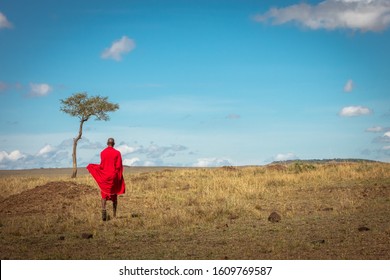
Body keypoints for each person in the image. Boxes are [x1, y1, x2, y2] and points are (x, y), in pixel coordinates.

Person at [87, 138, 125, 221]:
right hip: (113, 176)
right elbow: (118, 166)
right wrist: (119, 177)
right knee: (114, 195)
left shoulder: (102, 153)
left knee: (104, 194)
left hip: (105, 175)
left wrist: (93, 168)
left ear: (107, 143)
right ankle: (114, 215)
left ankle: (103, 210)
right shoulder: (117, 153)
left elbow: (102, 165)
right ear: (114, 143)